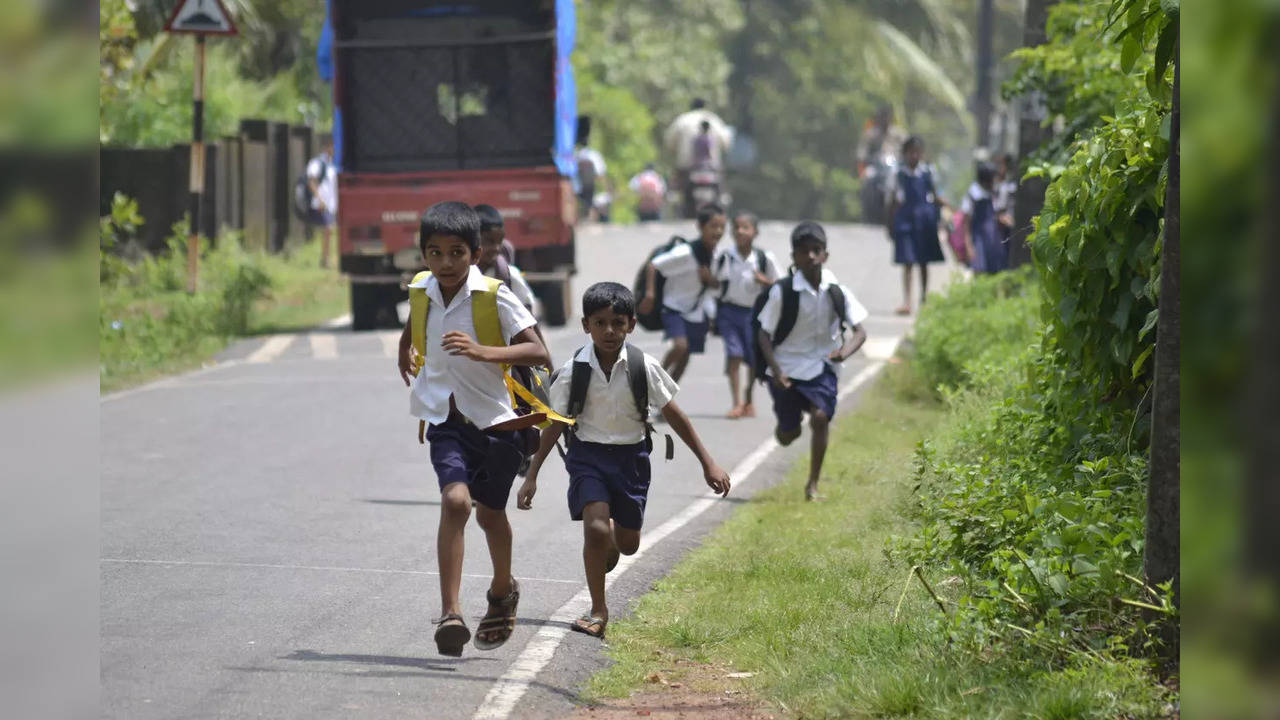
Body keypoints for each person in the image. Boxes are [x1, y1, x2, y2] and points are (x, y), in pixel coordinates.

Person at [516, 282, 731, 638]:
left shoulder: (642, 366)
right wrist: (532, 474)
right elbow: (555, 424)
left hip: (632, 460)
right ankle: (599, 610)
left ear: (631, 324)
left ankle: (613, 541)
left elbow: (675, 415)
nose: (609, 331)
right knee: (595, 528)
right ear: (586, 326)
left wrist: (708, 462)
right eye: (600, 323)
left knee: (628, 544)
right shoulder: (575, 370)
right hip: (588, 457)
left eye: (618, 322)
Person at [395, 201, 552, 657]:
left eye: (457, 252)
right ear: (424, 255)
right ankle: (451, 613)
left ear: (476, 254)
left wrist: (486, 352)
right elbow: (416, 317)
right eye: (435, 252)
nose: (446, 263)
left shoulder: (494, 296)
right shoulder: (423, 288)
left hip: (497, 425)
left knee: (489, 514)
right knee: (455, 501)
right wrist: (404, 349)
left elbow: (538, 352)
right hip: (446, 419)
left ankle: (502, 590)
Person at [756, 221, 868, 501]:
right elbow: (764, 334)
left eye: (816, 250)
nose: (811, 257)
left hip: (822, 366)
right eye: (804, 251)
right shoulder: (783, 291)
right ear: (794, 257)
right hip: (787, 369)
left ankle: (812, 485)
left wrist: (844, 352)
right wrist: (777, 370)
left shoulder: (836, 291)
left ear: (825, 255)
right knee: (789, 433)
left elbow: (860, 331)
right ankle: (785, 428)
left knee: (820, 417)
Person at [638, 203, 727, 383]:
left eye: (722, 227)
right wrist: (650, 294)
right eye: (713, 226)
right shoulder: (686, 252)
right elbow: (654, 265)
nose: (718, 231)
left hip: (696, 312)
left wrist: (709, 280)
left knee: (686, 356)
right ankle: (653, 381)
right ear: (701, 227)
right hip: (674, 308)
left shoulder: (718, 256)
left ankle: (666, 397)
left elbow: (719, 285)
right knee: (680, 346)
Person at [714, 210, 781, 419]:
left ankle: (748, 398)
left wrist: (766, 282)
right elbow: (715, 284)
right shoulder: (725, 256)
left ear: (755, 232)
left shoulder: (763, 258)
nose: (740, 231)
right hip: (729, 312)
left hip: (754, 315)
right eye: (736, 228)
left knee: (753, 360)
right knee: (734, 355)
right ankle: (737, 402)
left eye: (745, 228)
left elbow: (781, 284)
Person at [886, 136, 945, 315]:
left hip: (925, 221)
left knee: (924, 261)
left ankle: (924, 299)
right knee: (908, 261)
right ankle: (907, 301)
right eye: (911, 152)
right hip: (905, 221)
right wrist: (889, 224)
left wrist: (941, 217)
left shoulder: (928, 172)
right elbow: (892, 201)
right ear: (905, 153)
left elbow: (935, 196)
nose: (914, 155)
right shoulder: (898, 174)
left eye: (917, 152)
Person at [473, 204, 537, 312]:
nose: (496, 248)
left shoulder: (509, 275)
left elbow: (527, 311)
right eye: (489, 241)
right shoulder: (460, 275)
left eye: (500, 241)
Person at [663, 98, 732, 193]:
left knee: (676, 192)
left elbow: (670, 141)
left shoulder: (683, 120)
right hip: (711, 166)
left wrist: (675, 151)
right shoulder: (713, 120)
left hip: (686, 165)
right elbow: (726, 142)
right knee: (721, 189)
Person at [963, 162, 1007, 274]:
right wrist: (968, 246)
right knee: (979, 270)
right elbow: (966, 221)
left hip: (992, 238)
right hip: (978, 239)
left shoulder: (992, 193)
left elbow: (997, 213)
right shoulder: (974, 194)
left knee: (994, 270)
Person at [306, 135, 338, 268]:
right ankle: (325, 260)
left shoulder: (333, 164)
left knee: (329, 231)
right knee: (328, 229)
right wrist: (319, 199)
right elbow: (311, 182)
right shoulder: (317, 163)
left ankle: (327, 257)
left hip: (331, 205)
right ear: (328, 147)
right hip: (321, 203)